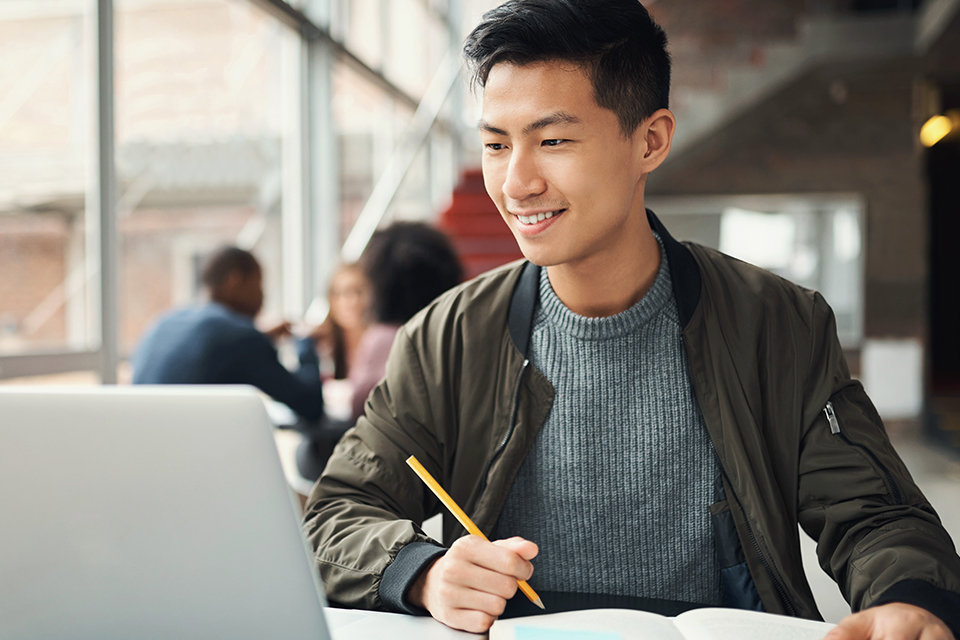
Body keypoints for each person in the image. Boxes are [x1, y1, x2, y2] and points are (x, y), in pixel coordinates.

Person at [302, 1, 960, 638]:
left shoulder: (778, 323)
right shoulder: (450, 337)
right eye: (497, 144)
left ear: (651, 140)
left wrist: (911, 601)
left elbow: (878, 515)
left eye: (553, 140)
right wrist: (421, 570)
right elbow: (338, 513)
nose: (515, 182)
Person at [296, 222, 464, 481]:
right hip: (448, 472)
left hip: (396, 477)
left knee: (307, 454)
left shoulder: (383, 338)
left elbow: (361, 406)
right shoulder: (455, 331)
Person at [132, 246, 324, 421]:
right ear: (235, 281)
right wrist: (305, 341)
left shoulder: (165, 322)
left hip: (144, 447)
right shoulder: (241, 339)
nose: (263, 297)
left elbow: (214, 354)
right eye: (258, 285)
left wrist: (260, 335)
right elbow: (310, 404)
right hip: (196, 452)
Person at [315, 263, 371, 381]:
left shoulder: (381, 341)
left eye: (358, 291)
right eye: (341, 293)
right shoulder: (321, 345)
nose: (351, 301)